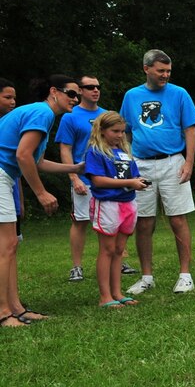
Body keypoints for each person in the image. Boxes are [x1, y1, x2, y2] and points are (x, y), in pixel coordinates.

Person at [0, 75, 84, 327]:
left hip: (5, 176)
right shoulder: (42, 113)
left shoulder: (39, 114)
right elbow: (23, 155)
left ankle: (16, 308)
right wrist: (41, 192)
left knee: (10, 245)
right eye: (71, 93)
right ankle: (3, 312)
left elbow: (37, 161)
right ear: (53, 92)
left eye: (77, 95)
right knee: (6, 247)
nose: (75, 99)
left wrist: (74, 167)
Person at [119, 49, 195, 294]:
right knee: (143, 223)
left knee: (177, 218)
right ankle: (146, 277)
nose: (165, 75)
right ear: (147, 69)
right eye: (161, 70)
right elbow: (125, 131)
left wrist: (189, 162)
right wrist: (128, 162)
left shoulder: (179, 93)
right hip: (141, 163)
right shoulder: (132, 96)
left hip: (172, 161)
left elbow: (190, 130)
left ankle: (185, 275)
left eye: (168, 71)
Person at [56, 75, 138, 282]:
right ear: (80, 90)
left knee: (116, 220)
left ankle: (119, 261)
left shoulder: (108, 116)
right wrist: (74, 177)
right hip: (86, 176)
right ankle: (77, 266)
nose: (95, 90)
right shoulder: (70, 115)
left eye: (98, 86)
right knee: (81, 220)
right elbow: (65, 148)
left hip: (114, 179)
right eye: (89, 87)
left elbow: (121, 148)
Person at [84, 112, 148, 308]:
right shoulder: (96, 152)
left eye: (122, 131)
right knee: (107, 249)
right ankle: (105, 296)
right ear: (102, 131)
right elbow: (97, 180)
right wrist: (129, 182)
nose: (120, 135)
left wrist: (139, 182)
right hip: (108, 204)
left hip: (128, 203)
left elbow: (133, 174)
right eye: (115, 131)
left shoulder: (124, 152)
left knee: (119, 250)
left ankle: (117, 292)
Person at [0, 78, 24, 243]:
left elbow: (16, 166)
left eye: (14, 98)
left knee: (11, 244)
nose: (13, 102)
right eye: (7, 97)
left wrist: (20, 201)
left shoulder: (13, 125)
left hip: (11, 190)